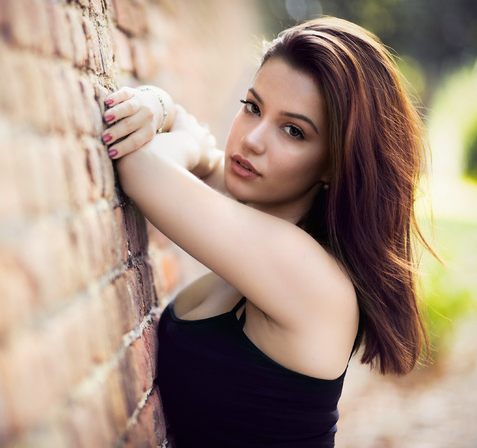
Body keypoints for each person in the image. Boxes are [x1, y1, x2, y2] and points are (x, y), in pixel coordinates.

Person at [102, 17, 434, 447]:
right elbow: (192, 141)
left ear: (334, 164)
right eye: (253, 106)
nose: (253, 139)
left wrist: (183, 137)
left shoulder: (307, 272)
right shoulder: (264, 212)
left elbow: (141, 166)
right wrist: (158, 105)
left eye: (293, 131)